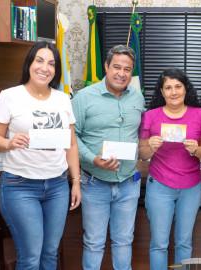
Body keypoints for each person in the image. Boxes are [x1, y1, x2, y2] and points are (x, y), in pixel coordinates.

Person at [0, 41, 81, 270]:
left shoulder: (62, 99)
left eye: (51, 63)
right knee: (30, 256)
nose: (44, 67)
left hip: (57, 187)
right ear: (29, 63)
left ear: (56, 70)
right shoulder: (10, 96)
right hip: (20, 186)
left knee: (50, 253)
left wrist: (75, 182)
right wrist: (9, 143)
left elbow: (71, 144)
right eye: (39, 60)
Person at [72, 45, 145, 270]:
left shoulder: (137, 96)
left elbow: (140, 134)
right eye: (116, 67)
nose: (121, 74)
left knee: (124, 241)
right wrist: (93, 159)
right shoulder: (84, 97)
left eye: (127, 69)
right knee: (94, 243)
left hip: (128, 182)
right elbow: (72, 138)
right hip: (94, 182)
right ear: (106, 66)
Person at [138, 68, 201, 270]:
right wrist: (150, 147)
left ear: (185, 89)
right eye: (168, 88)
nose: (173, 92)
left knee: (184, 242)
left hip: (191, 187)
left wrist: (196, 150)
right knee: (159, 244)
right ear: (162, 92)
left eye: (178, 87)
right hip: (159, 186)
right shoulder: (150, 116)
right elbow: (143, 154)